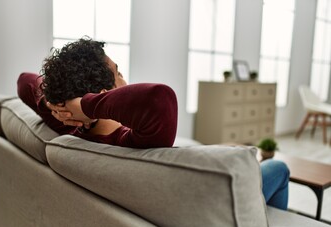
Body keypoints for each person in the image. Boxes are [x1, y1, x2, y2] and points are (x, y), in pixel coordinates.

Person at [17, 37, 289, 210]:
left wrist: (64, 106)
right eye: (118, 73)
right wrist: (88, 106)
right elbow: (161, 98)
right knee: (278, 168)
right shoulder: (133, 142)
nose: (126, 78)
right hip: (213, 205)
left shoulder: (68, 129)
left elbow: (25, 81)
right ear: (103, 96)